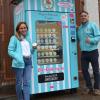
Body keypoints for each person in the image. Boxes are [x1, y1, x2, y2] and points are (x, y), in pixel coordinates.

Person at [8, 22, 36, 100]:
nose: (23, 29)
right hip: (19, 63)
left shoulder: (28, 38)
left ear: (27, 28)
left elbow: (30, 52)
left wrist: (33, 48)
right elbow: (10, 51)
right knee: (19, 84)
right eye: (21, 28)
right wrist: (19, 58)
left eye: (25, 28)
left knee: (27, 83)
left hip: (28, 61)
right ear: (18, 29)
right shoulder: (14, 38)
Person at [77, 11, 100, 95]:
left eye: (85, 16)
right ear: (80, 18)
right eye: (82, 16)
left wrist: (91, 40)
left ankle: (97, 88)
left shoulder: (93, 25)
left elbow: (98, 36)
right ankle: (89, 87)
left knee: (96, 71)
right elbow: (77, 39)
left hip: (93, 51)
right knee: (84, 70)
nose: (83, 17)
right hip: (84, 52)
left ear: (88, 16)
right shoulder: (79, 28)